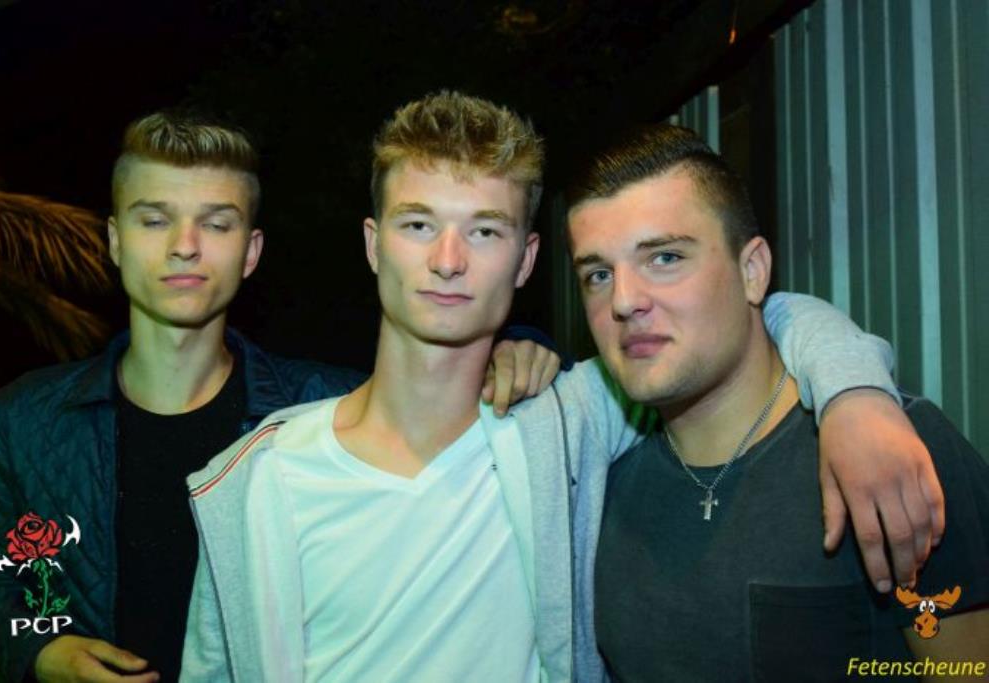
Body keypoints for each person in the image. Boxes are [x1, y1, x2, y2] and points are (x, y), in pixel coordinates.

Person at [181, 92, 943, 682]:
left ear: (525, 259)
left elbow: (749, 317)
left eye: (484, 229)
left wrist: (853, 395)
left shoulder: (565, 424)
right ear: (375, 245)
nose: (448, 259)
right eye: (418, 225)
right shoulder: (257, 481)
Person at [0, 111, 558, 683]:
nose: (184, 246)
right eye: (154, 220)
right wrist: (40, 647)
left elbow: (433, 382)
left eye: (216, 224)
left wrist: (518, 343)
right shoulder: (31, 417)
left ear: (251, 251)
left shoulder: (318, 408)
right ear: (116, 241)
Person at [567, 124, 989, 681]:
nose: (624, 301)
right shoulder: (599, 482)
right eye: (599, 274)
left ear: (752, 271)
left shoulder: (889, 448)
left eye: (665, 258)